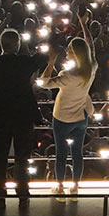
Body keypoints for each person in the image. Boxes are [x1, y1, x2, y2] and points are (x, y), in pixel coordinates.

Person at [0, 29, 45, 198]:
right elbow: (42, 57)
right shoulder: (24, 62)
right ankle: (22, 189)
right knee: (22, 157)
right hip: (22, 117)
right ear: (17, 44)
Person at [39, 28, 96, 198]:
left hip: (63, 118)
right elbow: (90, 47)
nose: (67, 52)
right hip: (81, 117)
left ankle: (60, 185)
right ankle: (76, 185)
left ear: (75, 54)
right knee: (77, 152)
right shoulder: (92, 68)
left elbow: (43, 83)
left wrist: (50, 63)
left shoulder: (67, 75)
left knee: (61, 153)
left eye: (70, 50)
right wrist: (83, 25)